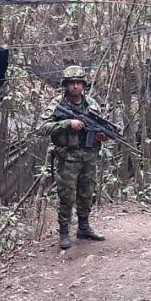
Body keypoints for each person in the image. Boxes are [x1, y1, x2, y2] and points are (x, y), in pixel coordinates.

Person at [37, 65, 107, 249]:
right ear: (66, 85)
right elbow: (42, 128)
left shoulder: (92, 104)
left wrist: (102, 136)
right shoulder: (57, 104)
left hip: (89, 157)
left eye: (78, 83)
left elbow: (101, 129)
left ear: (83, 85)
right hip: (67, 157)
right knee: (66, 195)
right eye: (71, 83)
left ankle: (84, 227)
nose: (75, 86)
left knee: (87, 193)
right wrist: (67, 123)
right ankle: (64, 232)